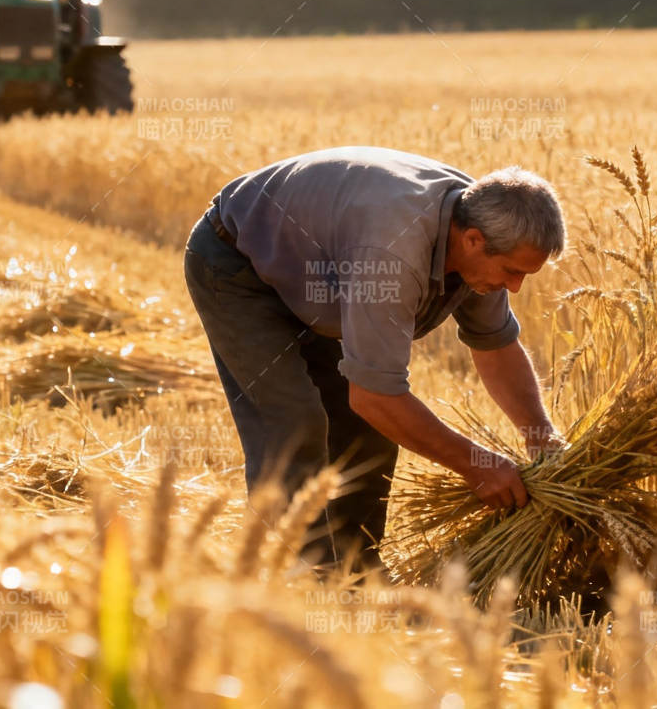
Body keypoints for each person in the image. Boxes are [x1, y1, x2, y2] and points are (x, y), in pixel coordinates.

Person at [183, 146, 567, 576]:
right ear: (473, 240)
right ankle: (299, 582)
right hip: (240, 265)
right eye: (512, 272)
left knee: (367, 434)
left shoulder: (479, 229)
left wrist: (540, 435)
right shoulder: (393, 251)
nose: (513, 288)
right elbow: (375, 396)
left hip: (321, 272)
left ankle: (355, 574)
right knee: (293, 422)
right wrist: (475, 466)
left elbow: (495, 346)